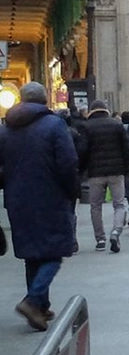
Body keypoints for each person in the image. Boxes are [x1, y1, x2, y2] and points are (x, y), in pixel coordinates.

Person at [0, 83, 79, 332]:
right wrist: (72, 191)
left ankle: (41, 306)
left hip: (17, 198)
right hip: (50, 196)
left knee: (32, 253)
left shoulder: (5, 129)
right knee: (55, 252)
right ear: (45, 100)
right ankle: (33, 300)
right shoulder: (54, 125)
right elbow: (68, 162)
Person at [81, 99, 129, 253]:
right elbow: (126, 149)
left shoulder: (87, 127)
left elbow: (83, 150)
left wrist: (82, 170)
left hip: (95, 172)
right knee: (119, 204)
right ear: (106, 110)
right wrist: (126, 169)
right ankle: (116, 231)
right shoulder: (117, 125)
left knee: (95, 206)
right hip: (116, 172)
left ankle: (100, 239)